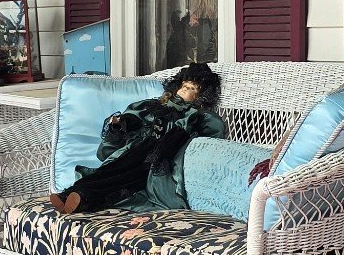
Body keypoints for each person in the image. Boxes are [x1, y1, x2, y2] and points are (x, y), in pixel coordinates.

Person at [50, 62, 224, 214]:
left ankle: (83, 197)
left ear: (200, 97)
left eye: (192, 88)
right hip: (138, 148)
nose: (185, 89)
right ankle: (69, 194)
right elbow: (137, 119)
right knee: (112, 170)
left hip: (156, 157)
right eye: (184, 85)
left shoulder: (194, 116)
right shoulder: (156, 105)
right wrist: (122, 122)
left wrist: (188, 124)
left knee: (125, 179)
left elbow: (212, 130)